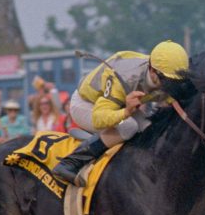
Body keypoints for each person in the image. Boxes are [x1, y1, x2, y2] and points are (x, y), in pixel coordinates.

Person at [52, 40, 190, 187]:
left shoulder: (163, 71)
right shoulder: (124, 76)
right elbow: (99, 118)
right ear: (152, 69)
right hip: (87, 104)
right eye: (165, 79)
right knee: (129, 126)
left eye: (173, 81)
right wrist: (126, 112)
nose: (168, 85)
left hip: (122, 103)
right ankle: (70, 162)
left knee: (150, 128)